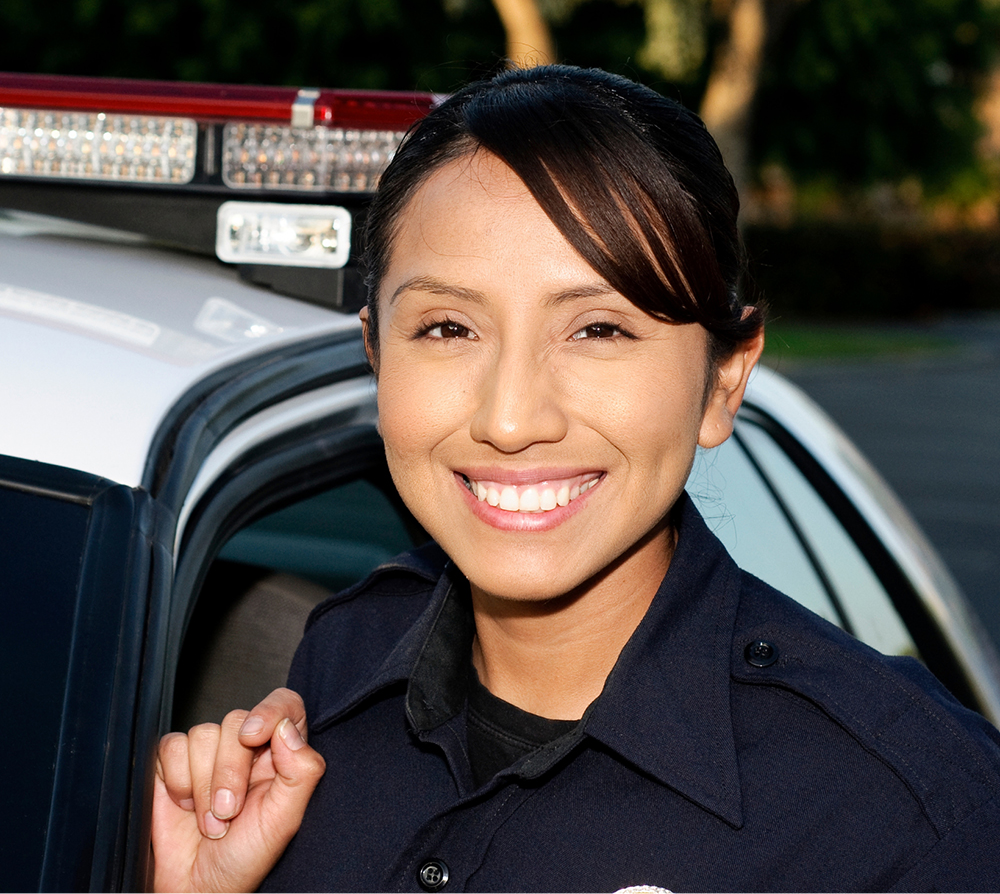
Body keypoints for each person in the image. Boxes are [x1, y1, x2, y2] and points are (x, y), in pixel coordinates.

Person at [153, 65, 1000, 893]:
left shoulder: (913, 820)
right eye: (448, 328)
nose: (512, 419)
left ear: (723, 382)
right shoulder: (338, 661)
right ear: (377, 356)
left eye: (598, 329)